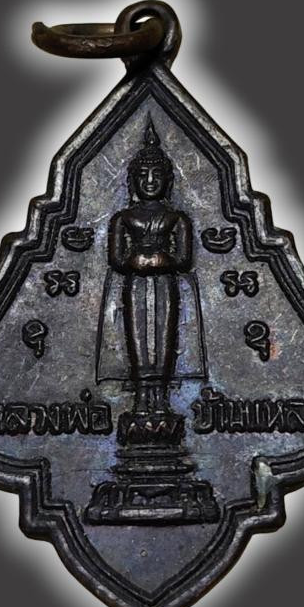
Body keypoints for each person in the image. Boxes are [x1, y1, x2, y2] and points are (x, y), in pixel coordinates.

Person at [108, 117, 192, 415]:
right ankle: (142, 397)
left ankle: (161, 397)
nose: (150, 180)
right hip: (136, 284)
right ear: (133, 180)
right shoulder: (124, 218)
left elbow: (184, 259)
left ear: (168, 180)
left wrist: (160, 260)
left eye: (157, 174)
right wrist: (136, 261)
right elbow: (116, 259)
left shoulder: (177, 218)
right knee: (138, 337)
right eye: (143, 175)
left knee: (164, 336)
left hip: (165, 284)